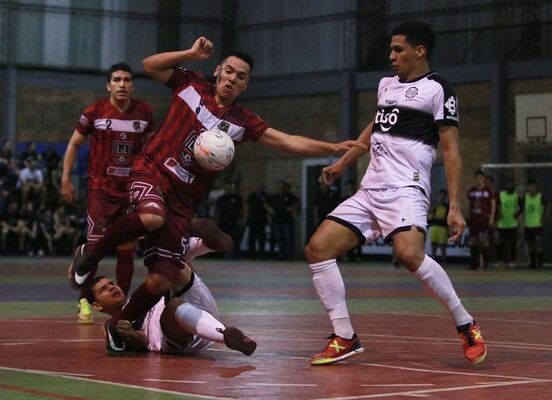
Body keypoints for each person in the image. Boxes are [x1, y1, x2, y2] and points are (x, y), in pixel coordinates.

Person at [67, 36, 357, 352]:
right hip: (152, 171)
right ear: (217, 70)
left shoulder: (243, 122)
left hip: (183, 201)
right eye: (229, 71)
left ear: (246, 85)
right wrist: (191, 54)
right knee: (151, 216)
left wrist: (331, 148)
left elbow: (287, 142)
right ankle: (92, 253)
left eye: (241, 76)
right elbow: (150, 65)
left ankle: (118, 324)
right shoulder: (190, 84)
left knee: (161, 280)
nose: (232, 79)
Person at [304, 21, 486, 366]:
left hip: (406, 188)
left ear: (420, 51)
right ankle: (344, 336)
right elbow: (375, 128)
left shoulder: (439, 90)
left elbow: (450, 149)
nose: (391, 56)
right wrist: (344, 162)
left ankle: (465, 323)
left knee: (409, 255)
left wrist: (455, 206)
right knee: (317, 248)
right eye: (391, 49)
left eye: (398, 49)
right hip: (371, 188)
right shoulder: (386, 85)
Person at [61, 62, 154, 324]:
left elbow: (154, 149)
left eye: (127, 79)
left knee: (126, 248)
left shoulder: (144, 112)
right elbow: (73, 144)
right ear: (108, 85)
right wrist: (65, 178)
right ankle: (83, 300)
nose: (122, 84)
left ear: (132, 85)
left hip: (130, 193)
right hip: (101, 192)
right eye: (117, 80)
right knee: (95, 250)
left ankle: (121, 304)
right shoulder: (94, 112)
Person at [83, 233, 256, 356]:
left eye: (111, 283)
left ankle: (208, 243)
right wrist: (131, 335)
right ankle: (226, 335)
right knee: (171, 302)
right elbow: (144, 342)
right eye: (103, 289)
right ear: (97, 306)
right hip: (176, 337)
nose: (112, 288)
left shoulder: (138, 299)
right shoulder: (112, 327)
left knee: (169, 266)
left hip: (201, 315)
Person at [467, 170, 496, 270]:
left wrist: (491, 217)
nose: (478, 180)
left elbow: (493, 204)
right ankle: (474, 264)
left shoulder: (489, 190)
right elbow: (469, 205)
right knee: (473, 241)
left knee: (484, 241)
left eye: (480, 178)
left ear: (483, 179)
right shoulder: (472, 190)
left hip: (484, 219)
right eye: (477, 178)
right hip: (474, 219)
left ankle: (486, 264)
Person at [268, 180, 300, 260]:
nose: (280, 188)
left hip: (287, 221)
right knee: (279, 239)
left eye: (282, 186)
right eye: (279, 186)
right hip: (276, 220)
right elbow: (266, 204)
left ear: (284, 187)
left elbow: (297, 203)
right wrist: (270, 210)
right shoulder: (274, 197)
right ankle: (281, 256)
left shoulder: (290, 196)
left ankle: (289, 256)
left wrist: (292, 209)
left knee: (288, 239)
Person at [495, 177, 522, 267]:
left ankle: (512, 261)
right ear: (507, 185)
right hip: (502, 223)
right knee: (501, 244)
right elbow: (497, 206)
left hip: (512, 224)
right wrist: (498, 217)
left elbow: (521, 207)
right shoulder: (501, 194)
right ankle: (500, 261)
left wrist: (517, 214)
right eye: (510, 184)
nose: (511, 186)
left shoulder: (516, 196)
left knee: (513, 244)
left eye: (513, 185)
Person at [523, 179, 549, 269]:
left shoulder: (540, 196)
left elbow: (548, 206)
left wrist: (545, 218)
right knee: (530, 245)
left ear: (535, 187)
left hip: (537, 225)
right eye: (529, 186)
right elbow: (522, 208)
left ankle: (540, 264)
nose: (530, 188)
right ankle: (533, 263)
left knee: (538, 244)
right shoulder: (525, 197)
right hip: (527, 225)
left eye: (532, 186)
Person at [245, 182, 270, 259]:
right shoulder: (251, 196)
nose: (259, 188)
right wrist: (247, 217)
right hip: (253, 220)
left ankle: (261, 255)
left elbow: (268, 208)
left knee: (261, 239)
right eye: (258, 186)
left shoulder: (266, 196)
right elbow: (248, 207)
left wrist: (268, 218)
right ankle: (252, 255)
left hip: (262, 220)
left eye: (261, 186)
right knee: (252, 239)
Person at [428, 189, 449, 266]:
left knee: (442, 244)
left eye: (443, 195)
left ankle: (444, 259)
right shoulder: (435, 204)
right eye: (440, 195)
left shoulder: (447, 206)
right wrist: (437, 204)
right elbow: (429, 211)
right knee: (434, 243)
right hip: (434, 225)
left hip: (442, 227)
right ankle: (433, 257)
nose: (442, 197)